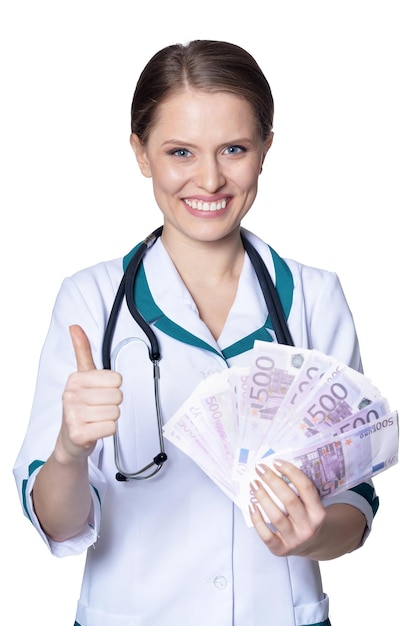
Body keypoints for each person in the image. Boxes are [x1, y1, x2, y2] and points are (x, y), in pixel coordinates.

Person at [13, 40, 379, 626]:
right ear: (140, 153)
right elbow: (58, 524)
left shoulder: (315, 297)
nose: (209, 179)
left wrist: (308, 537)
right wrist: (69, 451)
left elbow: (354, 513)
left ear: (265, 150)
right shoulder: (89, 300)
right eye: (180, 151)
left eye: (234, 148)